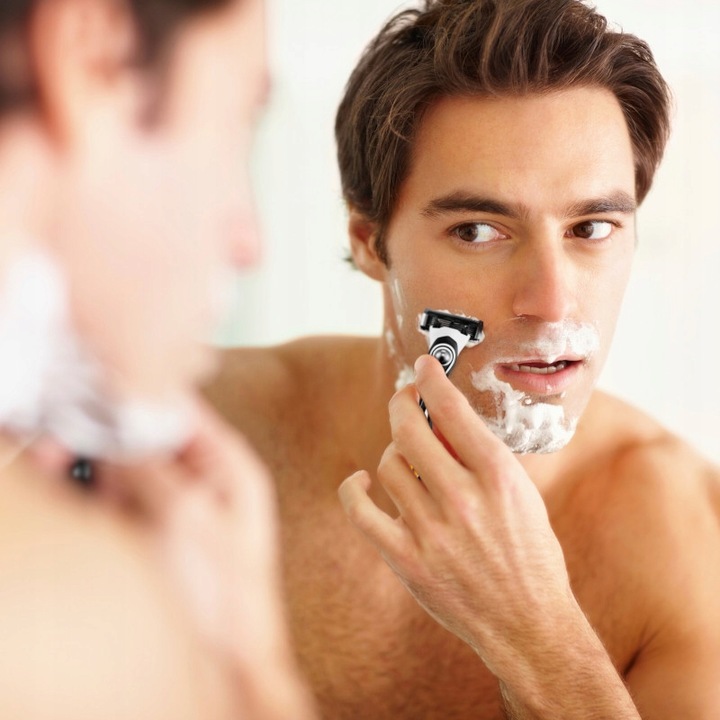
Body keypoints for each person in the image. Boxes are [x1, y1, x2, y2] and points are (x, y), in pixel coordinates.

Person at [205, 0, 720, 717]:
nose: (551, 302)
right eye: (478, 230)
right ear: (368, 242)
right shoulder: (202, 437)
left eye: (591, 227)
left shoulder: (698, 544)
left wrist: (543, 644)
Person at [0, 1, 315, 718]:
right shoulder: (59, 626)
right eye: (238, 123)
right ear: (93, 55)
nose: (248, 240)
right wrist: (252, 676)